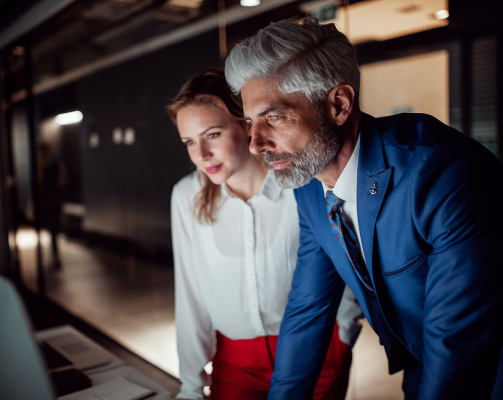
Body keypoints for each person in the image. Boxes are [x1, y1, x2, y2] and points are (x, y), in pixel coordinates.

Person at [225, 17, 503, 400]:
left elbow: (458, 346)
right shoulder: (309, 187)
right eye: (250, 121)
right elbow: (308, 309)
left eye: (274, 117)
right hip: (424, 364)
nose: (255, 143)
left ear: (339, 104)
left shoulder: (443, 175)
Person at [168, 68, 363, 400]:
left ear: (246, 126)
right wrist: (190, 383)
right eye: (189, 141)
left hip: (316, 351)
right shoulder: (186, 196)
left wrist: (343, 331)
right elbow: (190, 294)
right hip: (234, 362)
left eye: (212, 134)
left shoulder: (299, 184)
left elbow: (340, 260)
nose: (201, 154)